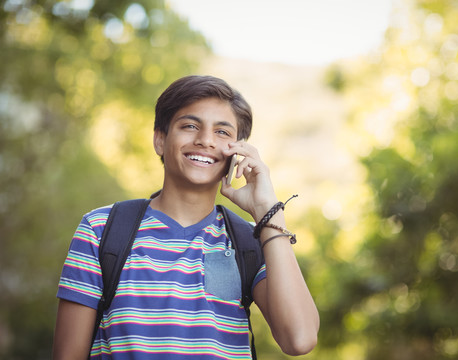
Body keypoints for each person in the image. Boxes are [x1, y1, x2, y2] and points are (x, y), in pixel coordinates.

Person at [52, 75, 319, 359]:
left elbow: (299, 339)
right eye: (190, 126)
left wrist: (267, 211)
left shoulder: (252, 240)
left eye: (223, 132)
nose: (205, 140)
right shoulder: (101, 229)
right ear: (160, 140)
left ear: (237, 154)